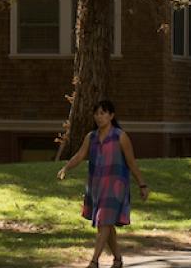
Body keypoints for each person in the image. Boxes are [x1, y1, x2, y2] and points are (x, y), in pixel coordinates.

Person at [57, 99, 149, 268]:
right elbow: (79, 155)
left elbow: (131, 163)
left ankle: (94, 262)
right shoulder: (91, 137)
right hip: (96, 187)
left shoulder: (120, 136)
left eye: (103, 113)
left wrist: (142, 185)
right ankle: (118, 259)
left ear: (111, 115)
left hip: (115, 188)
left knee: (104, 222)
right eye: (96, 113)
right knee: (106, 225)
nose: (99, 117)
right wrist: (66, 168)